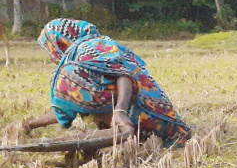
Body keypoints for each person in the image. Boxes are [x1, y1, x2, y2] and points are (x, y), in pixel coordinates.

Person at [23, 18, 191, 147]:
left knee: (68, 74)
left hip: (139, 119)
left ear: (60, 42)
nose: (52, 56)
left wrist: (120, 111)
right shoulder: (99, 45)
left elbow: (123, 75)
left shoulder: (87, 49)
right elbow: (67, 105)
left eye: (50, 49)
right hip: (159, 123)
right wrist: (30, 125)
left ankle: (125, 133)